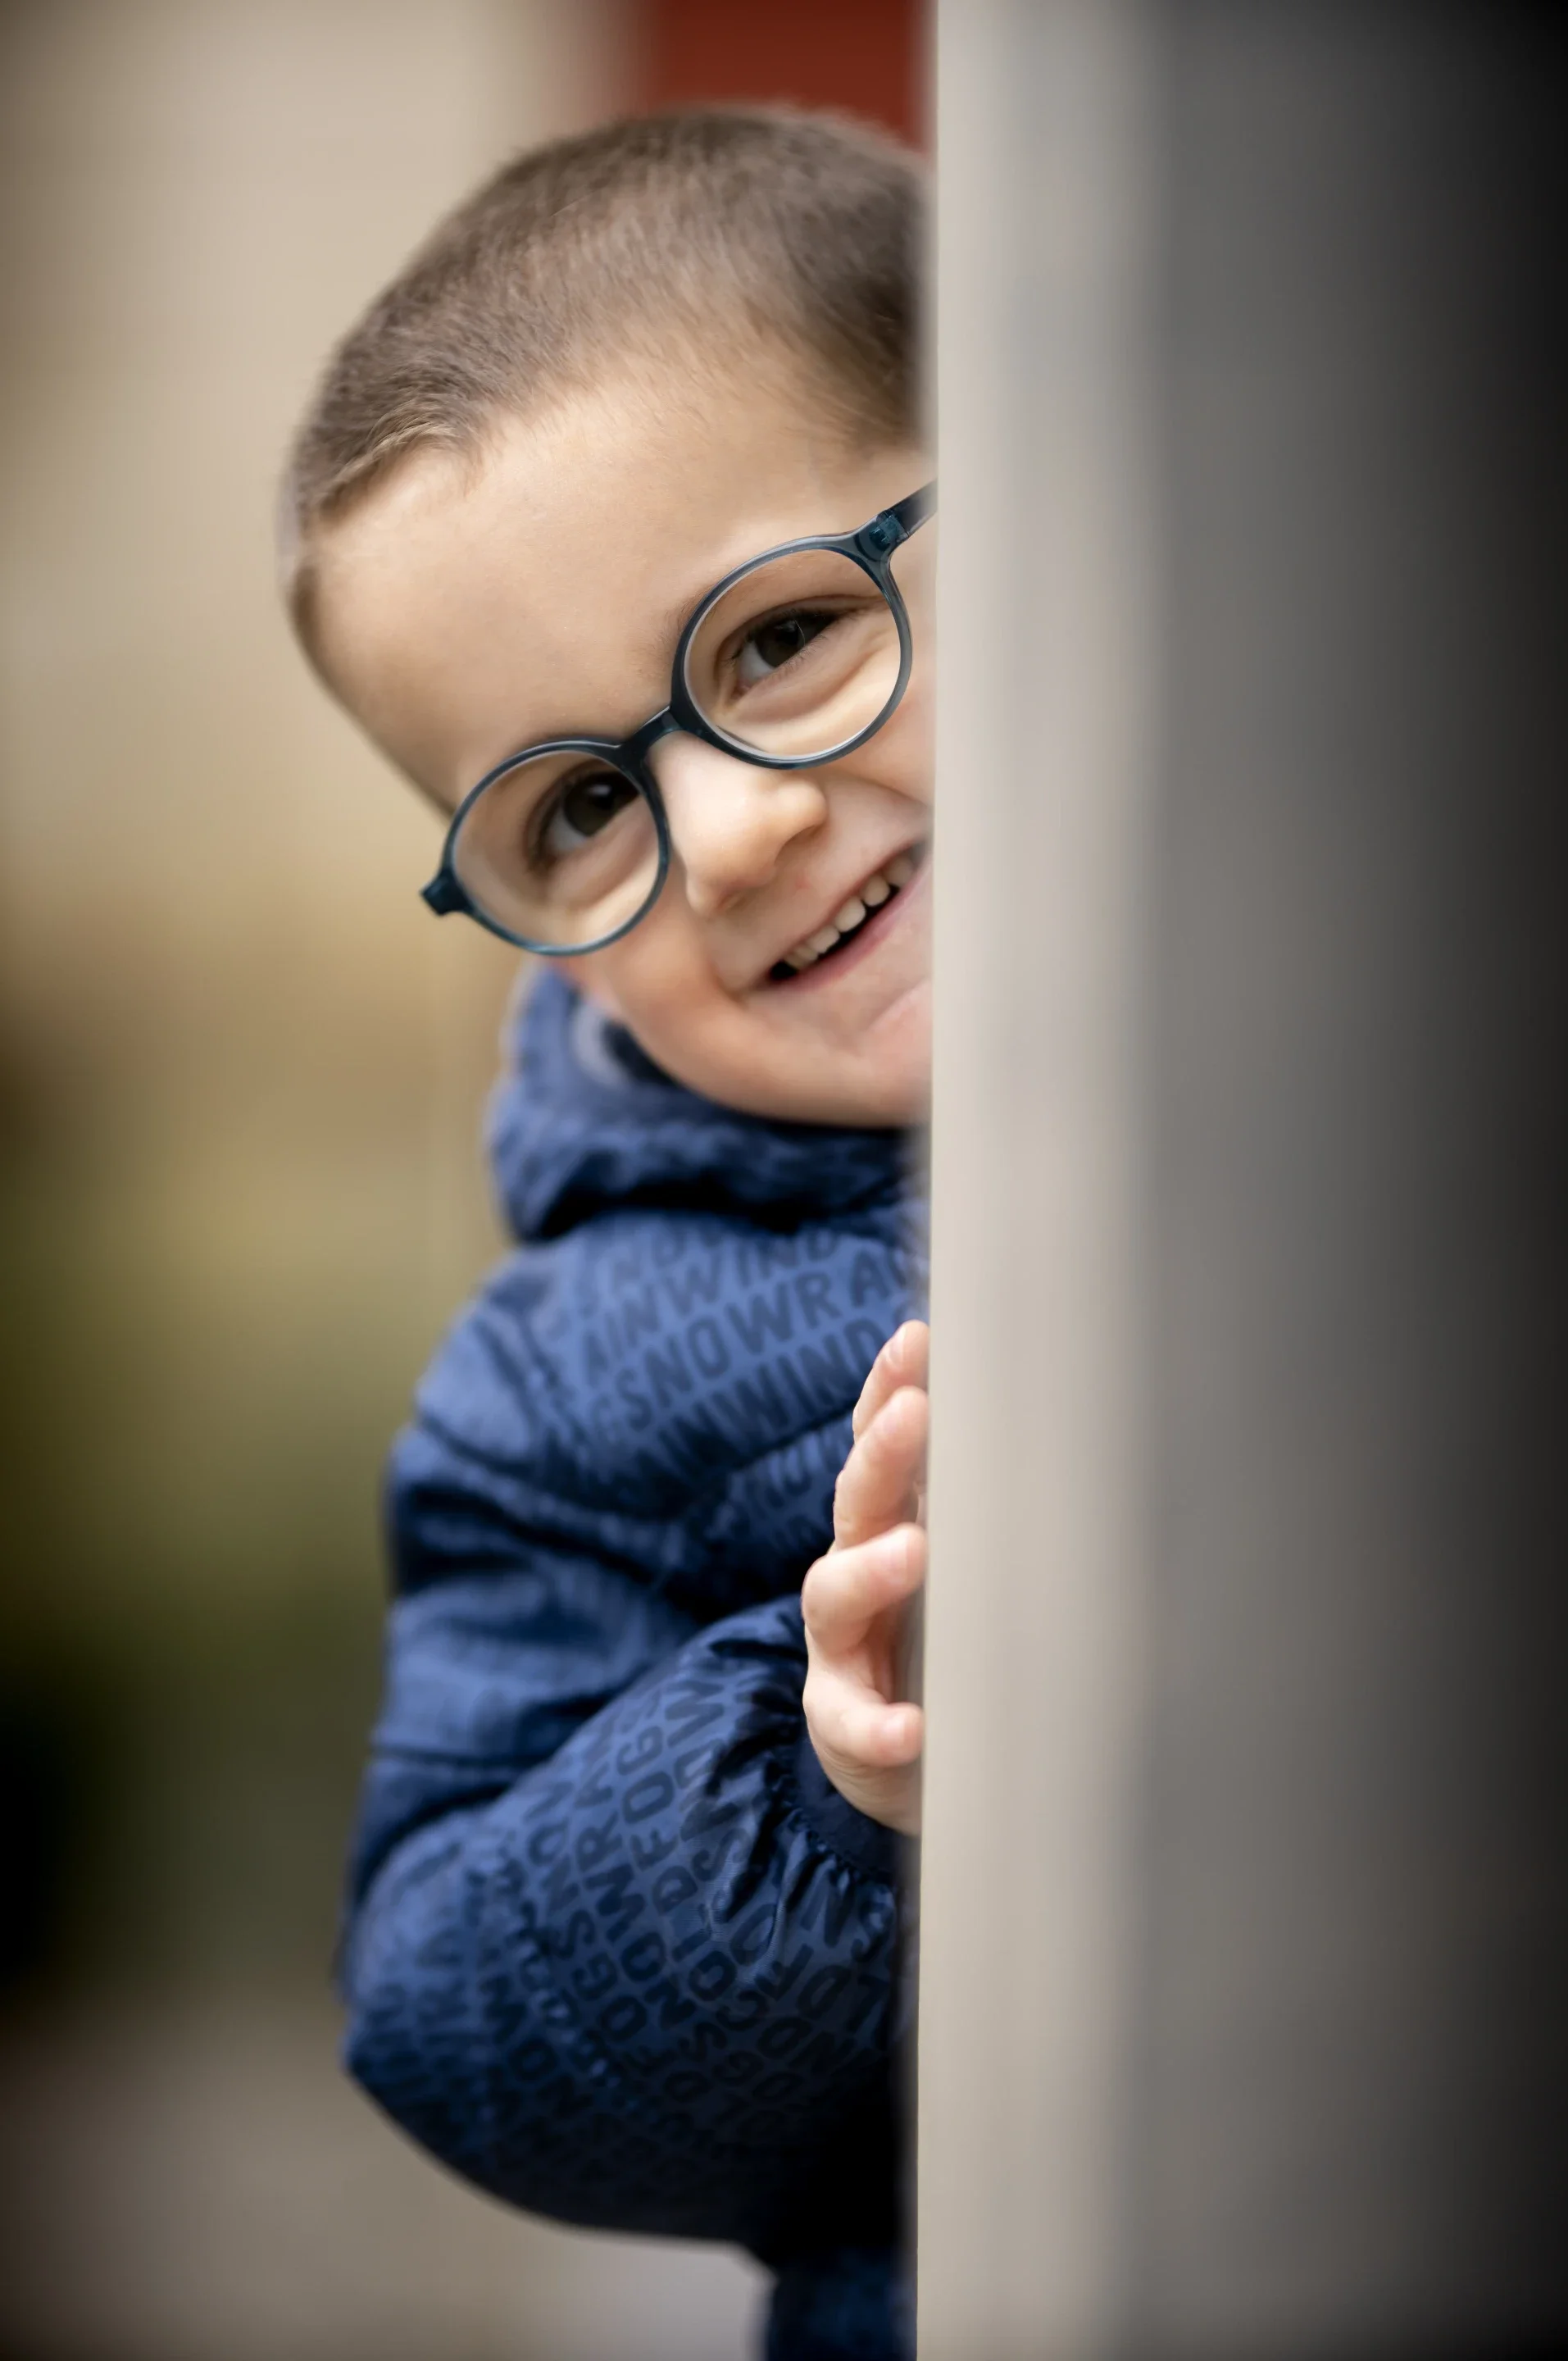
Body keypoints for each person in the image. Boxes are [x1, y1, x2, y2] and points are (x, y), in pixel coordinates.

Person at [280, 108, 933, 2361]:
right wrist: (822, 1779)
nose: (729, 832)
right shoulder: (568, 1382)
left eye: (782, 639)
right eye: (574, 807)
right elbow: (454, 2017)